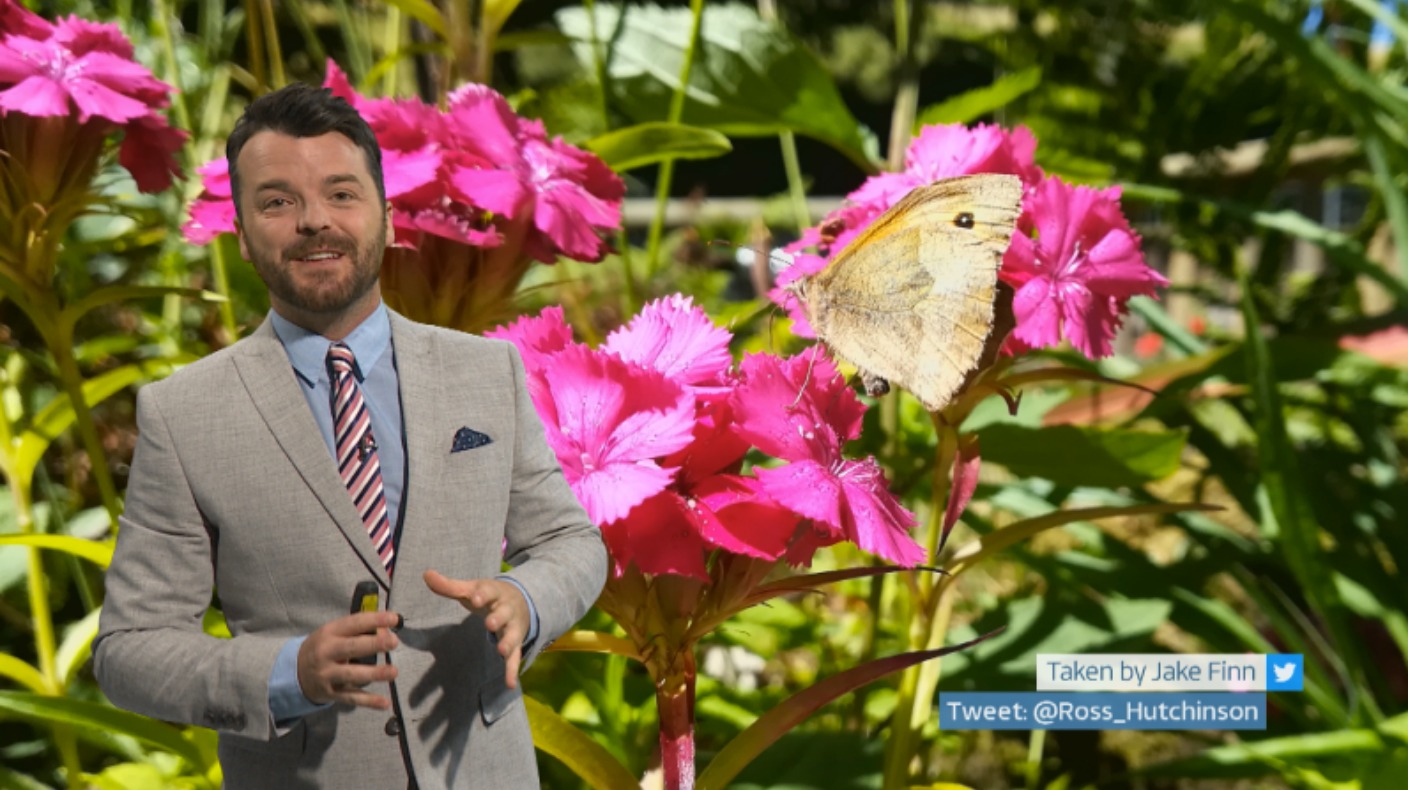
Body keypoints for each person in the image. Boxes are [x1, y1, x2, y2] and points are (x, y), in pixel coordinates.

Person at [93, 82, 608, 789]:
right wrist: (287, 672)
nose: (313, 221)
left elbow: (570, 542)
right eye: (277, 201)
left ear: (389, 220)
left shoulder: (487, 371)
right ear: (241, 235)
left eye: (342, 194)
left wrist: (528, 598)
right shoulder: (183, 415)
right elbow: (130, 652)